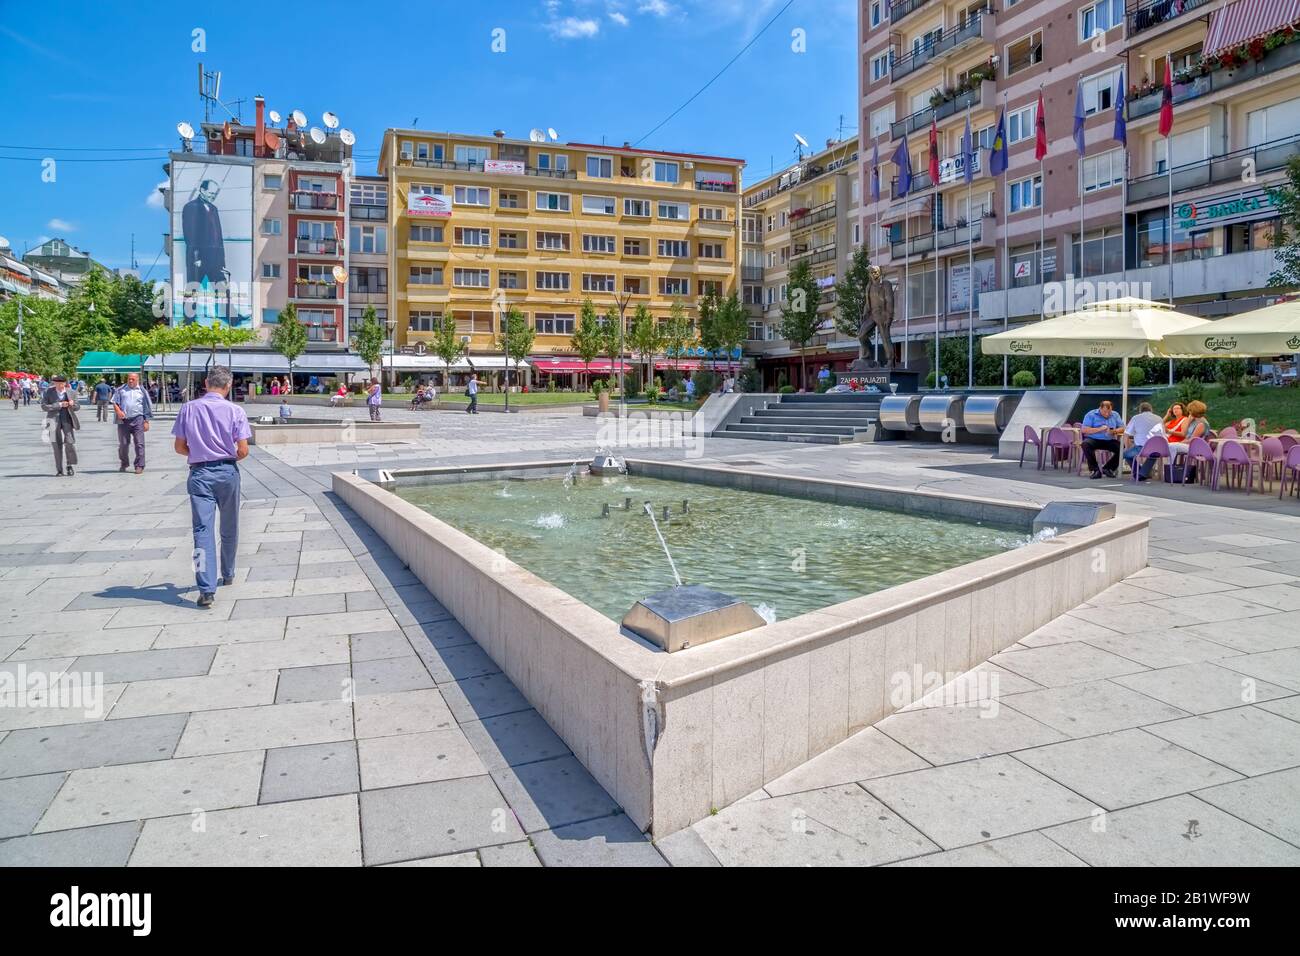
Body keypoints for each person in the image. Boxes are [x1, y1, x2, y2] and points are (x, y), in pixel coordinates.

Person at [172, 366, 251, 609]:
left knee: (201, 531)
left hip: (199, 473)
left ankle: (205, 589)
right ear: (229, 385)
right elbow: (243, 450)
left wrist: (200, 453)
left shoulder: (188, 408)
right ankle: (228, 572)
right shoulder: (236, 411)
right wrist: (224, 457)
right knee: (230, 526)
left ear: (206, 383)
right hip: (227, 472)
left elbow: (179, 447)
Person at [113, 372, 154, 474]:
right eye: (129, 379)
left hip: (138, 419)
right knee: (123, 444)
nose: (130, 381)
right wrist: (118, 411)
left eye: (133, 379)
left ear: (137, 380)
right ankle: (124, 463)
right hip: (124, 420)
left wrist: (146, 421)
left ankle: (139, 465)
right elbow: (114, 402)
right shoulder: (121, 390)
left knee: (139, 443)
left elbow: (147, 406)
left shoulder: (142, 391)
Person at [41, 373, 80, 476]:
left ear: (65, 383)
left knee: (70, 442)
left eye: (60, 383)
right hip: (52, 420)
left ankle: (69, 465)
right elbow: (44, 406)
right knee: (56, 445)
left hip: (67, 419)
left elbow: (77, 407)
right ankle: (59, 469)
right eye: (56, 383)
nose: (58, 385)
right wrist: (59, 404)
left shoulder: (71, 392)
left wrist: (73, 404)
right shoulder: (48, 392)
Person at [1166, 400, 1212, 479]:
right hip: (1188, 444)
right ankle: (1170, 469)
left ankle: (1169, 469)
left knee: (1172, 446)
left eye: (1190, 410)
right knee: (1171, 445)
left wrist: (1180, 442)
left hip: (1195, 447)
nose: (1189, 412)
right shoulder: (1194, 421)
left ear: (1194, 411)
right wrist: (1189, 421)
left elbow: (1192, 440)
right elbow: (1186, 433)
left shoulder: (1201, 423)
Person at [1081, 399, 1125, 479]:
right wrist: (1099, 429)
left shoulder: (1115, 414)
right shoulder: (1091, 414)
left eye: (1109, 412)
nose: (1107, 414)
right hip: (1094, 439)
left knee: (1122, 448)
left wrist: (1114, 431)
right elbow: (1084, 430)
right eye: (1105, 412)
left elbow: (1123, 428)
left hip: (1109, 440)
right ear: (1100, 408)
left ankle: (1108, 468)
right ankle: (1095, 470)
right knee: (1085, 444)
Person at [1123, 402, 1165, 481]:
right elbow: (1162, 434)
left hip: (1141, 448)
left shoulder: (1136, 418)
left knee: (1125, 454)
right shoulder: (1159, 418)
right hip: (1157, 449)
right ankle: (1143, 473)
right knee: (1153, 454)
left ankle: (1138, 472)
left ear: (1140, 410)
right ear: (1151, 409)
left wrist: (1127, 448)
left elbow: (1126, 434)